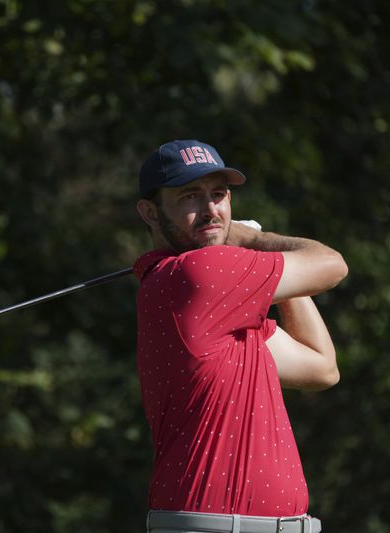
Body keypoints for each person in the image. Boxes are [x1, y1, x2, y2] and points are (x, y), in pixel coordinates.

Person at [133, 140, 348, 533]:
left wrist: (263, 273)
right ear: (150, 212)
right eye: (190, 197)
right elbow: (332, 265)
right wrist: (252, 241)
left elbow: (321, 367)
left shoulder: (208, 304)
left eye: (219, 195)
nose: (212, 210)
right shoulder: (196, 273)